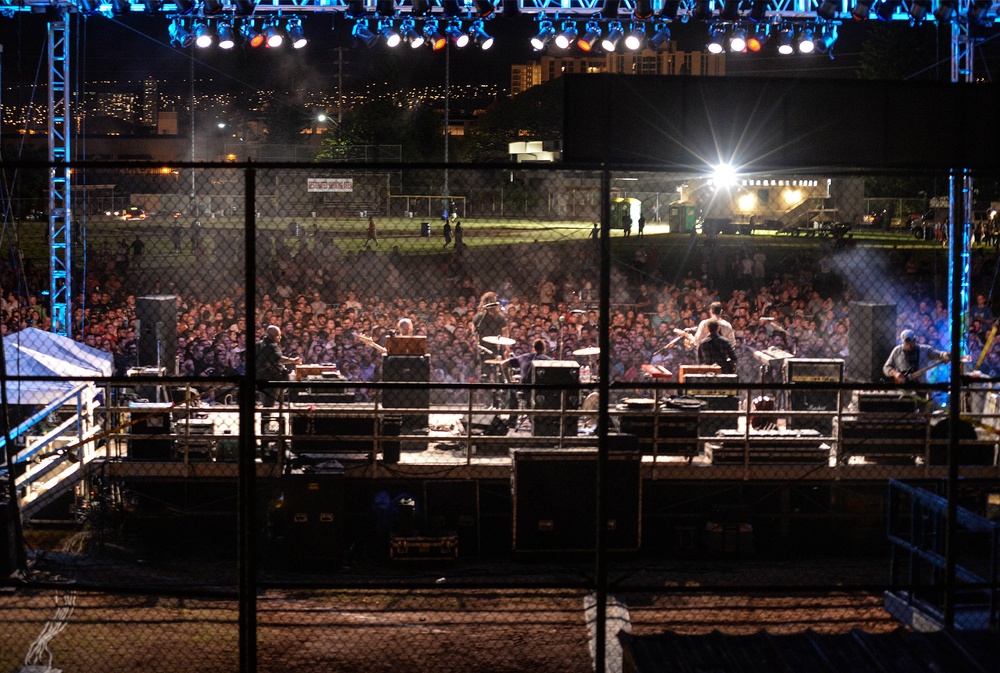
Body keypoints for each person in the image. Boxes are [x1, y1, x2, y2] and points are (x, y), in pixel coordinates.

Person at [255, 324, 301, 407]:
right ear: (272, 336)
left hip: (259, 376)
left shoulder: (259, 345)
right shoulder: (272, 346)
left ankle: (266, 416)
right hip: (271, 377)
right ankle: (266, 417)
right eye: (278, 335)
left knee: (265, 400)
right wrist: (293, 360)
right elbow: (278, 358)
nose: (280, 337)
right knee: (269, 402)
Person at [883, 329, 950, 384]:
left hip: (920, 386)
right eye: (906, 343)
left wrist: (945, 355)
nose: (909, 345)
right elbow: (886, 367)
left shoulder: (925, 349)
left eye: (911, 342)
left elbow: (938, 354)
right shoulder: (897, 351)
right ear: (902, 342)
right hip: (903, 387)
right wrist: (895, 374)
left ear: (915, 340)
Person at [472, 291, 509, 377]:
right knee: (499, 370)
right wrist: (507, 349)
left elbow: (473, 332)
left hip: (485, 347)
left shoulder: (479, 316)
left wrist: (478, 343)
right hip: (495, 347)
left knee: (486, 371)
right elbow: (505, 333)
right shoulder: (499, 317)